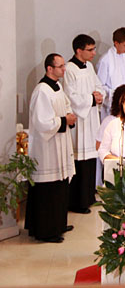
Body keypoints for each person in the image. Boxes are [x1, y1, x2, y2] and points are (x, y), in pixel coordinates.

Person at [25, 54, 76, 243]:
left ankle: (58, 224)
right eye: (60, 66)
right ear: (49, 69)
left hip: (59, 144)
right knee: (48, 190)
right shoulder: (42, 91)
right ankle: (46, 230)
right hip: (46, 149)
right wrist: (65, 120)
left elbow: (66, 104)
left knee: (60, 186)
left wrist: (69, 115)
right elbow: (42, 122)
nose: (64, 69)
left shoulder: (57, 86)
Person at [62, 34, 105, 214]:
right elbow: (70, 96)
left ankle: (88, 197)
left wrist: (100, 94)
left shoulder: (89, 66)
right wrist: (91, 99)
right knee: (79, 159)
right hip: (79, 121)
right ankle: (77, 201)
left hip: (91, 118)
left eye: (94, 49)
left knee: (90, 159)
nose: (94, 53)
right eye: (90, 49)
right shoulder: (69, 69)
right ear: (79, 50)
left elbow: (98, 85)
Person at [96, 27, 125, 120]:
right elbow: (100, 85)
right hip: (111, 104)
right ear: (116, 43)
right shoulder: (106, 60)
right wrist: (113, 94)